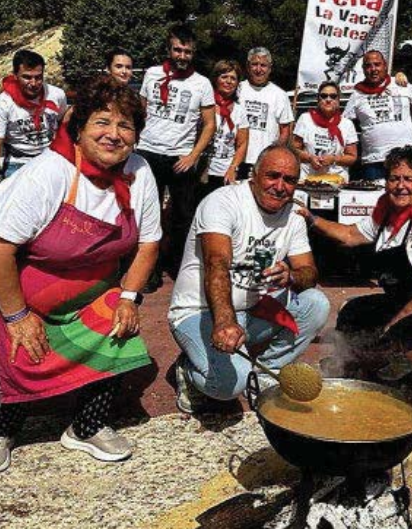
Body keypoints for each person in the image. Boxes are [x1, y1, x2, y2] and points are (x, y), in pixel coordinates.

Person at [0, 75, 162, 475]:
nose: (114, 134)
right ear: (80, 127)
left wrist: (128, 298)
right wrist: (18, 316)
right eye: (102, 122)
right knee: (15, 351)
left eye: (125, 125)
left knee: (116, 327)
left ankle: (87, 426)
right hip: (1, 279)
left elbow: (148, 244)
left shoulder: (140, 172)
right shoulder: (48, 173)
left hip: (84, 282)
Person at [297, 146, 412, 423]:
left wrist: (395, 322)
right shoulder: (383, 215)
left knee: (405, 333)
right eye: (395, 178)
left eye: (409, 179)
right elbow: (348, 234)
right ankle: (372, 369)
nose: (401, 186)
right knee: (352, 313)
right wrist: (310, 218)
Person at [169, 145, 330, 409]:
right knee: (228, 386)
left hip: (252, 309)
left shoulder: (294, 215)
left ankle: (267, 370)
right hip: (200, 311)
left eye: (289, 180)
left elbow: (309, 273)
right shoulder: (222, 202)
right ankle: (187, 370)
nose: (280, 186)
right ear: (254, 175)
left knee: (316, 303)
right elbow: (216, 264)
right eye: (272, 176)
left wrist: (291, 275)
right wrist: (224, 323)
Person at [136, 24, 215, 288]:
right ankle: (150, 270)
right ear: (169, 49)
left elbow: (209, 124)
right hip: (148, 152)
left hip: (180, 158)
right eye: (177, 50)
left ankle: (179, 268)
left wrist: (194, 156)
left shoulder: (202, 83)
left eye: (187, 51)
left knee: (183, 216)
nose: (182, 56)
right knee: (150, 215)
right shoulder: (152, 74)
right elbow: (141, 111)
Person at [0, 50, 68, 207]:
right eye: (27, 77)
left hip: (50, 160)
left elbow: (64, 121)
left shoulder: (57, 95)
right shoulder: (3, 103)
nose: (34, 83)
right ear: (15, 76)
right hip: (18, 163)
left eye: (38, 77)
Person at [343, 51, 412, 180]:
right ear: (363, 69)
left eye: (377, 64)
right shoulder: (357, 94)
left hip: (407, 157)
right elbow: (344, 125)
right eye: (368, 65)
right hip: (374, 161)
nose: (373, 69)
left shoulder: (401, 84)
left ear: (385, 66)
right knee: (374, 199)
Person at [238, 47, 294, 177]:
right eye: (254, 64)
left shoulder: (280, 95)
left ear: (270, 67)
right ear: (247, 66)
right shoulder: (238, 89)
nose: (258, 69)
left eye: (263, 65)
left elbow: (285, 131)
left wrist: (272, 154)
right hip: (237, 160)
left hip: (264, 162)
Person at [199, 59, 249, 201]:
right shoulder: (205, 104)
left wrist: (233, 168)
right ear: (216, 79)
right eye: (224, 77)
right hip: (202, 170)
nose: (228, 81)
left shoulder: (239, 111)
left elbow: (242, 144)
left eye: (233, 78)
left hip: (225, 172)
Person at [292, 81, 358, 182]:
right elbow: (294, 149)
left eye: (333, 96)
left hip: (336, 181)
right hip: (307, 179)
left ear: (338, 100)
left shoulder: (347, 124)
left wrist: (334, 159)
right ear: (318, 99)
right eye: (324, 96)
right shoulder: (305, 119)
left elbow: (352, 157)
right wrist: (310, 158)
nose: (328, 100)